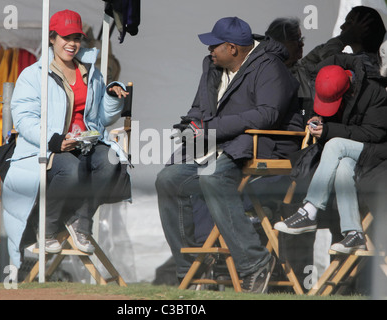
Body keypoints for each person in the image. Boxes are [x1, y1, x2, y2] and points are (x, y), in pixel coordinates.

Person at [156, 16, 304, 293]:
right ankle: (191, 268)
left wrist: (211, 129)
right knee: (168, 178)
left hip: (262, 146)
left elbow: (267, 115)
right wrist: (190, 125)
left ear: (233, 48)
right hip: (217, 146)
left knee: (213, 179)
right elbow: (199, 109)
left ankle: (254, 263)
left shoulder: (271, 67)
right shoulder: (212, 66)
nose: (209, 50)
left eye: (215, 45)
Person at [1, 9, 131, 268]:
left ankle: (80, 221)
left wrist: (113, 97)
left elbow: (102, 119)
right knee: (71, 169)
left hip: (87, 143)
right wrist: (53, 140)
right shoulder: (33, 74)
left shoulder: (91, 72)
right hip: (48, 146)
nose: (72, 43)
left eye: (77, 38)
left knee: (112, 162)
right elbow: (24, 117)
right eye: (65, 37)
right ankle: (47, 230)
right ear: (51, 38)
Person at [274, 59, 387, 253]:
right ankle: (354, 233)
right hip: (350, 152)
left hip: (377, 151)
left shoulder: (373, 92)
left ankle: (309, 210)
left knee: (335, 144)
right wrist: (319, 119)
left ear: (348, 90)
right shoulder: (328, 83)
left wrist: (329, 130)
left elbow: (375, 134)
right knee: (343, 165)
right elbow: (327, 110)